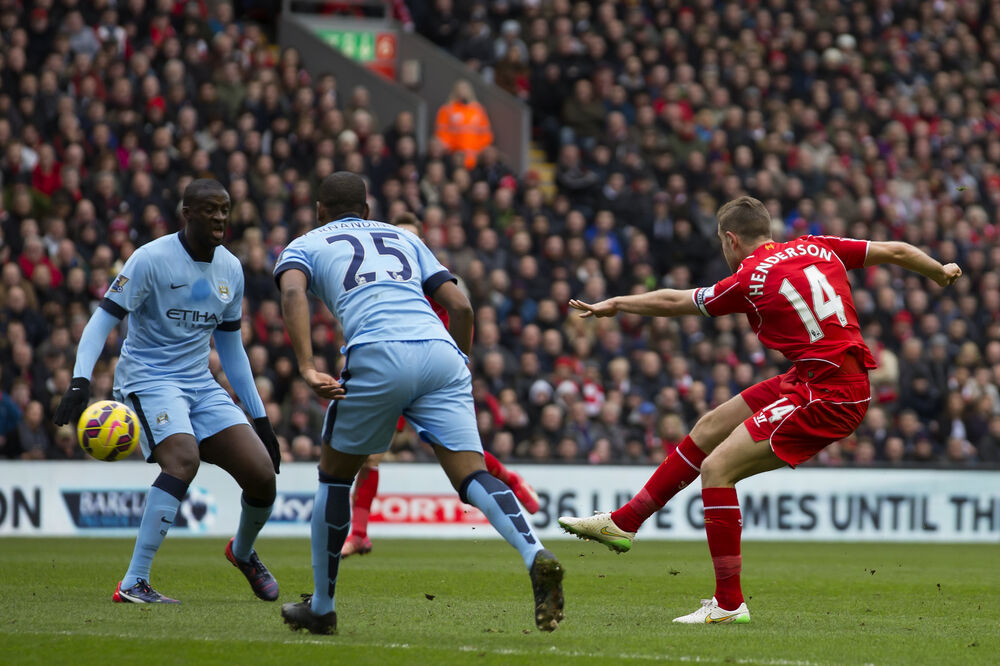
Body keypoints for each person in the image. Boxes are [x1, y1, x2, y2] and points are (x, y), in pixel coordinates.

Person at [558, 196, 962, 624]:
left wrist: (619, 303)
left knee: (717, 470)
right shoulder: (817, 245)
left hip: (830, 394)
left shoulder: (749, 278)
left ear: (732, 239)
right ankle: (624, 523)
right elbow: (896, 251)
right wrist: (938, 271)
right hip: (815, 376)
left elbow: (678, 302)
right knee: (711, 425)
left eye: (721, 242)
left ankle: (729, 604)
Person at [274, 172, 563, 635]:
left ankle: (323, 607)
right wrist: (460, 362)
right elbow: (462, 306)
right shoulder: (400, 236)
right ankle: (534, 552)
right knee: (473, 475)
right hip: (439, 350)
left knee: (334, 477)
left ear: (319, 211)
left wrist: (308, 366)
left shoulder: (305, 243)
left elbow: (292, 293)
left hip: (377, 351)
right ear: (368, 211)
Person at [54, 179, 282, 604]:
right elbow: (102, 320)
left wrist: (260, 418)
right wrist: (80, 380)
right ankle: (133, 582)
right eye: (210, 209)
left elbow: (231, 349)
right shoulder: (150, 259)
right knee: (183, 460)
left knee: (262, 476)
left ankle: (243, 552)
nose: (219, 217)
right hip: (148, 379)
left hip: (200, 383)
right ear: (187, 213)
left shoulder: (230, 269)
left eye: (225, 209)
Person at [341, 212, 540, 558]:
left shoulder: (434, 281)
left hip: (430, 374)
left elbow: (459, 316)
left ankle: (509, 479)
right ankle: (359, 533)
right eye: (399, 235)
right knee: (370, 456)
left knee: (455, 452)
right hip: (390, 368)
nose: (405, 242)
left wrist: (457, 362)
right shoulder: (382, 282)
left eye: (412, 236)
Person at [434, 80, 493, 170]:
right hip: (454, 159)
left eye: (465, 88)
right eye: (460, 88)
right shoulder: (447, 109)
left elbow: (486, 134)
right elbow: (441, 134)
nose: (462, 91)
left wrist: (479, 151)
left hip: (476, 160)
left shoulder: (478, 109)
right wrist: (452, 150)